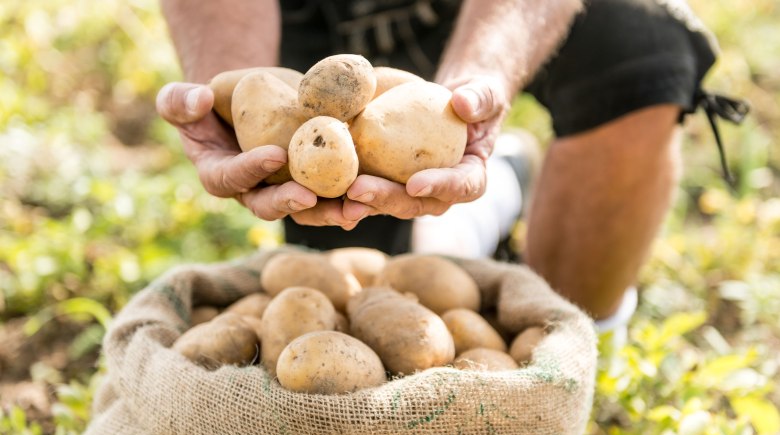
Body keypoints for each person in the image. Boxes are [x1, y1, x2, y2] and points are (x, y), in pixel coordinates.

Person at [155, 0, 727, 336]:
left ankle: (574, 346)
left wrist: (473, 88)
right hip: (306, 26)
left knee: (640, 50)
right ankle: (503, 185)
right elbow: (240, 84)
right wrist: (227, 94)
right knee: (366, 280)